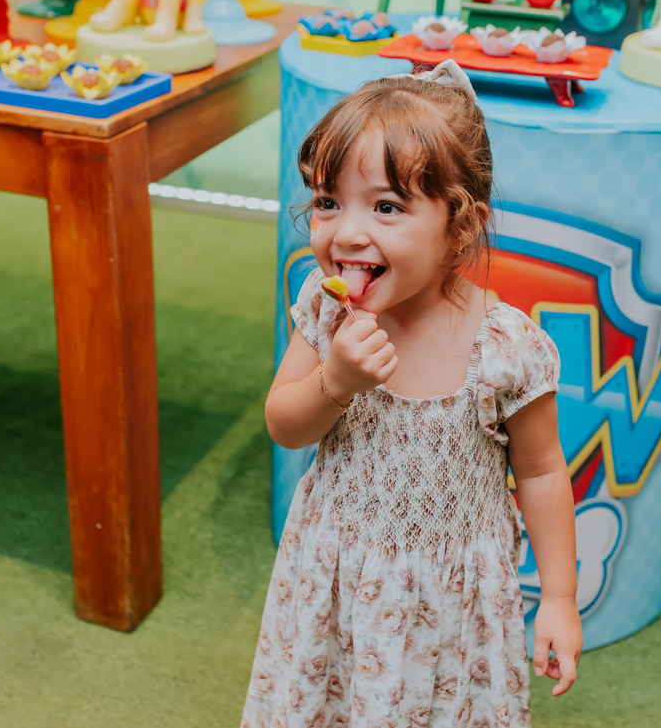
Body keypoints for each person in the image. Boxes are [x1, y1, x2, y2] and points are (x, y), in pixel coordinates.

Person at [241, 60, 582, 728]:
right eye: (328, 201)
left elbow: (541, 472)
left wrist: (560, 599)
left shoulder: (506, 347)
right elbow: (284, 424)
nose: (346, 232)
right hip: (334, 581)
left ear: (460, 228)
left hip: (453, 608)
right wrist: (333, 382)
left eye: (387, 206)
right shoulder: (326, 309)